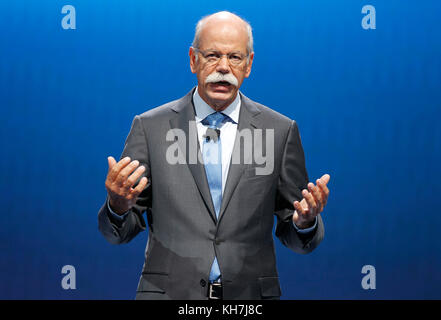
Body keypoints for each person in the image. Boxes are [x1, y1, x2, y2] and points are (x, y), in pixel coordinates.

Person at [98, 11, 330, 300]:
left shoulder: (280, 131)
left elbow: (295, 237)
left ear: (249, 64)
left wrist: (304, 222)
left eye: (235, 57)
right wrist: (118, 206)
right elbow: (117, 233)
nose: (223, 67)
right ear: (193, 59)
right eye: (212, 55)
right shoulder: (150, 127)